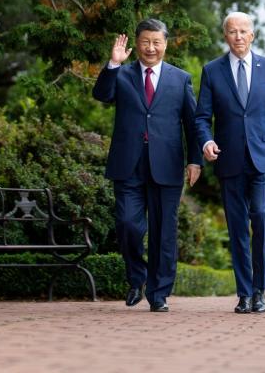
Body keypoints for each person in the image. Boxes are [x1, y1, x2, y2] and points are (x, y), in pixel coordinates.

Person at [92, 19, 202, 313]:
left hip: (166, 165)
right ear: (136, 44)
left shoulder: (181, 79)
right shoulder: (123, 75)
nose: (151, 48)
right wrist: (113, 64)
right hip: (128, 164)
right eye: (145, 42)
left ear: (166, 44)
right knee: (128, 225)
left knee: (164, 232)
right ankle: (136, 278)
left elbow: (193, 125)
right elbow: (101, 95)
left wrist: (195, 160)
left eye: (157, 42)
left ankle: (159, 293)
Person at [194, 12, 265, 314]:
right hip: (229, 160)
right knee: (237, 225)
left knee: (262, 215)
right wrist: (206, 141)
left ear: (252, 35)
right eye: (232, 32)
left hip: (264, 157)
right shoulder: (212, 71)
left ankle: (260, 289)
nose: (238, 37)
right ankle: (244, 293)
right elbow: (202, 117)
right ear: (225, 36)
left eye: (243, 31)